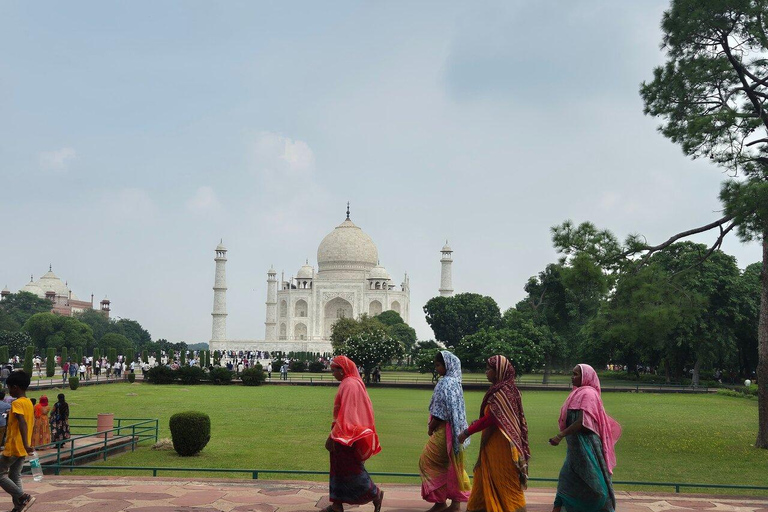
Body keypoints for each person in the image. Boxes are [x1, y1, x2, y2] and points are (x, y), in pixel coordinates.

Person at [458, 355, 529, 512]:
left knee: (505, 484)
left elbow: (491, 418)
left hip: (502, 448)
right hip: (493, 444)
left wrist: (467, 432)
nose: (486, 372)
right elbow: (492, 417)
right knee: (484, 478)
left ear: (499, 371)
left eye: (489, 369)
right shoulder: (507, 390)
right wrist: (478, 423)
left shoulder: (502, 392)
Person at [548, 364, 621, 512]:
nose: (572, 377)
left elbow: (582, 422)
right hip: (575, 449)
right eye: (573, 373)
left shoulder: (588, 394)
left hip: (586, 447)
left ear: (585, 377)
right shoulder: (577, 393)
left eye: (576, 374)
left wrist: (560, 435)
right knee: (566, 481)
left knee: (595, 485)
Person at [323, 356, 384, 512]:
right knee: (338, 470)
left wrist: (332, 436)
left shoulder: (350, 384)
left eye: (334, 370)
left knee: (351, 470)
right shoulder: (350, 382)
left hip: (347, 435)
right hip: (345, 433)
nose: (332, 374)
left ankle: (375, 493)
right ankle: (337, 504)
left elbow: (347, 415)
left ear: (342, 370)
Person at [419, 351, 471, 512]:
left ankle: (440, 502)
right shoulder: (456, 383)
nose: (437, 369)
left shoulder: (446, 383)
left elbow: (441, 413)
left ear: (447, 365)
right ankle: (455, 504)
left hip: (444, 431)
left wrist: (431, 427)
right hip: (457, 432)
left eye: (438, 365)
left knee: (427, 462)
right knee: (454, 464)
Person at [0, 370, 35, 511]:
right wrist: (27, 443)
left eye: (9, 388)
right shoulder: (28, 403)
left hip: (15, 446)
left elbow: (22, 422)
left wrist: (26, 443)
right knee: (15, 475)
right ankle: (19, 506)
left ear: (15, 387)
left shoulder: (17, 403)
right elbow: (29, 423)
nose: (9, 391)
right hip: (23, 446)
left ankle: (23, 497)